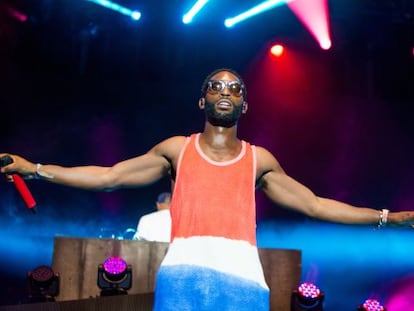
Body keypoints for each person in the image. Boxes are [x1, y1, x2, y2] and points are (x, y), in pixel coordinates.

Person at [1, 68, 414, 311]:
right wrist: (35, 170)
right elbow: (109, 176)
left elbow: (314, 204)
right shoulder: (177, 150)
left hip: (244, 281)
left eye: (235, 88)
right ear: (202, 101)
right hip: (182, 276)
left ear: (245, 106)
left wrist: (388, 218)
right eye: (215, 86)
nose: (224, 92)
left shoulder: (259, 160)